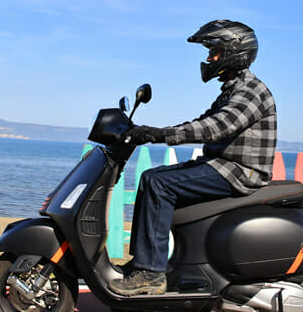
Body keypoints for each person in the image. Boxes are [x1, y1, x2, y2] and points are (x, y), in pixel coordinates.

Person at [109, 19, 277, 296]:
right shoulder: (233, 89)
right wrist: (153, 131)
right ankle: (147, 264)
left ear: (234, 51)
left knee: (158, 183)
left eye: (214, 52)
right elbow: (204, 120)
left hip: (239, 170)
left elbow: (216, 127)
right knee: (154, 177)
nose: (209, 58)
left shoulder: (250, 91)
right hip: (224, 165)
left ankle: (150, 273)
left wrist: (159, 135)